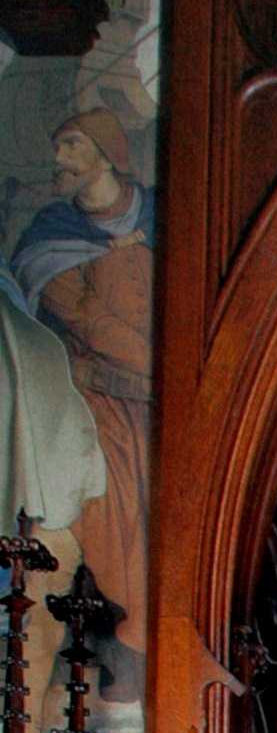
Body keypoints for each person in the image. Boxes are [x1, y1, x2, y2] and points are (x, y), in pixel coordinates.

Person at [9, 108, 154, 632]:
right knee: (113, 509)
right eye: (58, 147)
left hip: (166, 401)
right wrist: (154, 374)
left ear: (106, 151)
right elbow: (86, 320)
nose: (59, 158)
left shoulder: (165, 217)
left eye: (71, 145)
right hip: (97, 402)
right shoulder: (50, 235)